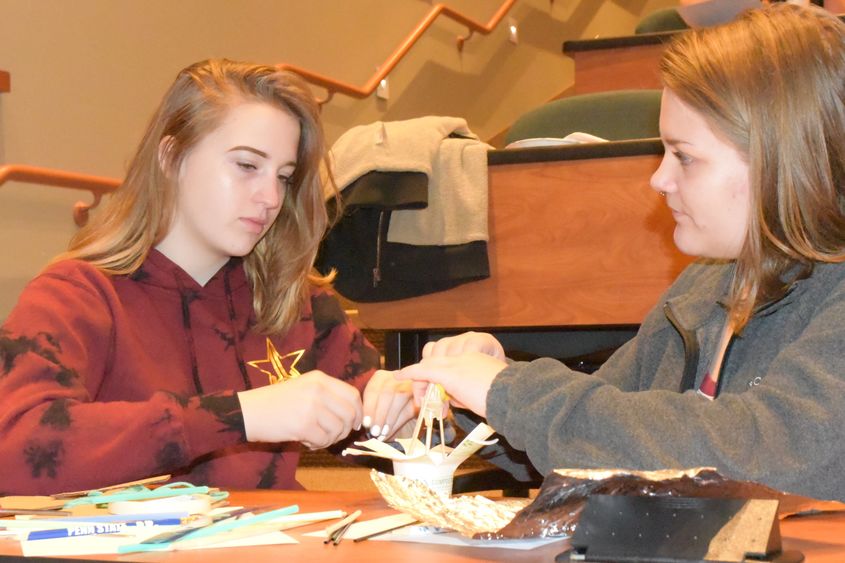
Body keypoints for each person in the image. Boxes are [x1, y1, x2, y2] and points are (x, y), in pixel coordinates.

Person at [398, 3, 845, 501]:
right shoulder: (706, 284)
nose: (659, 178)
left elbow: (769, 456)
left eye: (685, 156)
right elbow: (601, 437)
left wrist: (508, 392)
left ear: (782, 159)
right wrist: (463, 403)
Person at [0, 59, 413, 494]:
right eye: (247, 166)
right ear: (171, 156)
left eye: (284, 177)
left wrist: (407, 409)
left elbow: (389, 441)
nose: (271, 197)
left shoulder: (297, 300)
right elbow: (15, 449)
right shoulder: (77, 295)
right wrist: (240, 416)